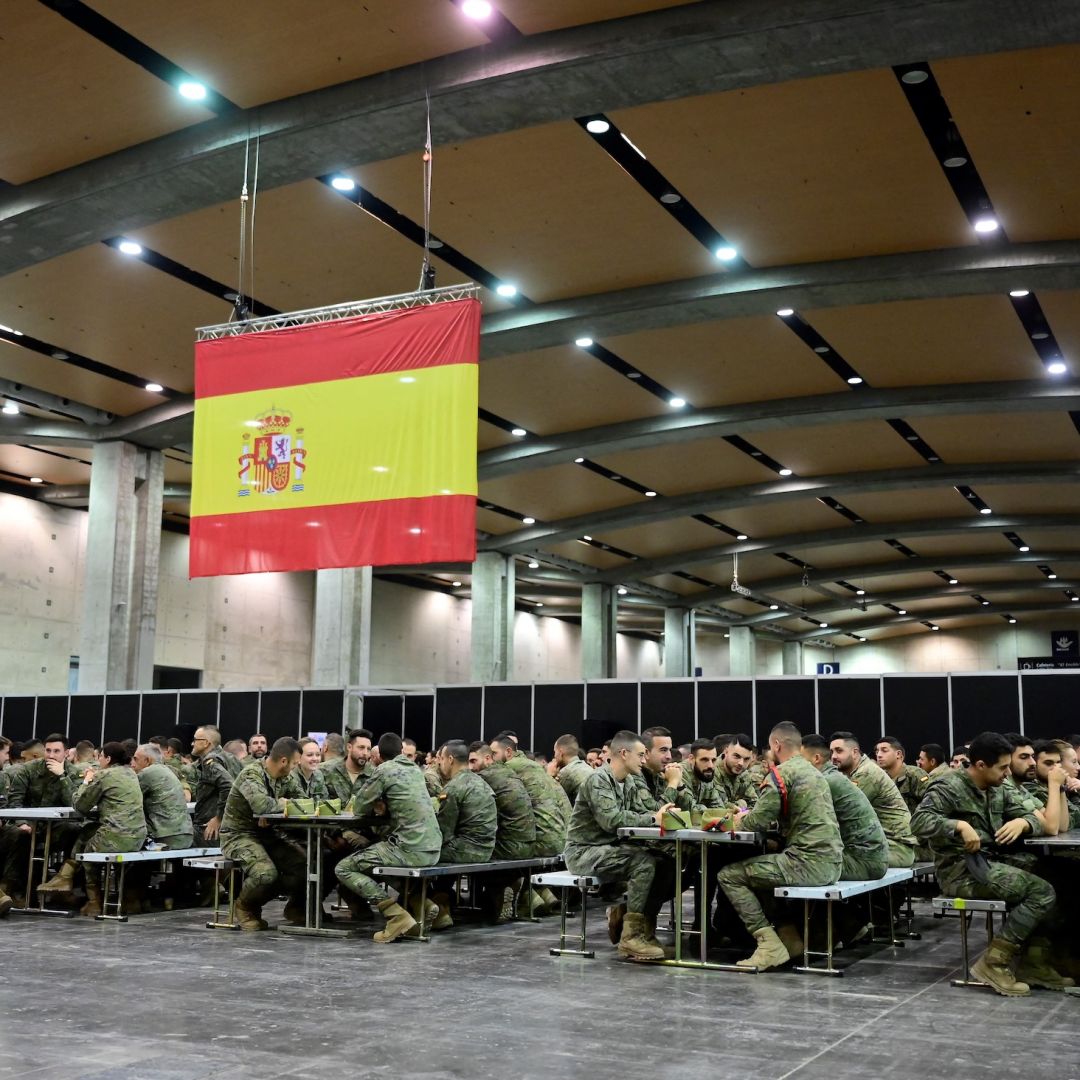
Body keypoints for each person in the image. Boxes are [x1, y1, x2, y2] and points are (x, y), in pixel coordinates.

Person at [911, 731, 1067, 995]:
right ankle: (994, 962)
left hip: (992, 862)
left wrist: (1023, 821)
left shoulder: (996, 790)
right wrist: (958, 825)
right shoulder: (948, 787)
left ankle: (1034, 962)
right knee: (1040, 892)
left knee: (1059, 875)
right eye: (1002, 767)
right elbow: (918, 822)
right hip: (961, 872)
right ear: (981, 765)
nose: (1007, 773)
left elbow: (1039, 820)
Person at [718, 723, 843, 970]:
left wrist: (735, 819)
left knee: (729, 875)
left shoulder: (781, 774)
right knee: (762, 873)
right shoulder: (813, 772)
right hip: (832, 861)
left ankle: (768, 946)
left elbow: (757, 821)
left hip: (807, 864)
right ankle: (789, 939)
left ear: (776, 745)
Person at [564, 729, 676, 960]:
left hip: (610, 849)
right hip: (585, 852)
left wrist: (661, 814)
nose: (645, 760)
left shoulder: (628, 783)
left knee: (664, 862)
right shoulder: (598, 780)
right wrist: (654, 819)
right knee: (643, 863)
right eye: (641, 755)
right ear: (624, 753)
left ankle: (645, 932)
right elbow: (611, 820)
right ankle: (630, 939)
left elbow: (641, 812)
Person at [334, 733, 442, 943]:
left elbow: (359, 807)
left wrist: (378, 804)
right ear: (402, 751)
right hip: (432, 848)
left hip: (409, 849)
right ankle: (424, 905)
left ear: (380, 756)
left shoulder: (384, 770)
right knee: (379, 858)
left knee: (344, 868)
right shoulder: (416, 770)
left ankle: (396, 916)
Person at [39, 742, 147, 917]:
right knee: (88, 831)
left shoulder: (104, 775)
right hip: (138, 836)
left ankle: (93, 902)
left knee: (88, 857)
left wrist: (86, 780)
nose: (98, 760)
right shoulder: (131, 773)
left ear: (108, 759)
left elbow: (80, 806)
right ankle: (64, 878)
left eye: (100, 756)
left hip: (118, 836)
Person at [220, 737, 306, 931]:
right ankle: (244, 906)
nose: (295, 768)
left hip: (267, 834)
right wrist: (282, 805)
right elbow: (260, 805)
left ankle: (284, 905)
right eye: (294, 763)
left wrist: (278, 809)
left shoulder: (286, 777)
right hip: (238, 835)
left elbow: (303, 802)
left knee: (303, 867)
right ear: (284, 761)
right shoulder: (252, 773)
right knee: (265, 873)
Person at [4, 733, 84, 900]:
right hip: (29, 824)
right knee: (19, 836)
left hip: (55, 827)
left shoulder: (74, 773)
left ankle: (62, 885)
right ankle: (11, 889)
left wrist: (62, 777)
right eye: (48, 750)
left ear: (66, 753)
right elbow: (15, 800)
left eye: (56, 751)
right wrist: (21, 823)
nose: (51, 755)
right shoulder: (29, 769)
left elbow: (76, 804)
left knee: (76, 831)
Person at [801, 735, 887, 882]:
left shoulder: (826, 782)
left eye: (800, 760)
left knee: (800, 866)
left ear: (816, 759)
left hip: (863, 862)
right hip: (869, 857)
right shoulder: (832, 777)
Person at [469, 741, 536, 921]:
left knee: (472, 852)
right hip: (530, 844)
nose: (470, 767)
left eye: (473, 761)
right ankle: (513, 882)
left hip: (510, 846)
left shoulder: (483, 777)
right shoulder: (508, 772)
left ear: (488, 758)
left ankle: (498, 890)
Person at [830, 732, 916, 868]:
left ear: (854, 752)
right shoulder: (856, 772)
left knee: (827, 860)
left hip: (896, 848)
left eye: (839, 751)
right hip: (882, 844)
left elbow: (841, 813)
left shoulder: (866, 773)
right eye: (832, 752)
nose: (834, 756)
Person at [131, 744, 193, 850]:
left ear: (147, 760)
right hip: (186, 834)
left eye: (136, 759)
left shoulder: (147, 773)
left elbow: (127, 797)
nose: (133, 764)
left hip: (165, 837)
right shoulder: (169, 770)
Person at [191, 726, 236, 844]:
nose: (192, 743)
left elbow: (228, 786)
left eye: (195, 740)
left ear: (206, 743)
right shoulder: (231, 758)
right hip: (233, 827)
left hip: (211, 829)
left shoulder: (210, 762)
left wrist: (219, 818)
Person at [632, 726, 692, 811]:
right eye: (663, 750)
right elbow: (656, 811)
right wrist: (673, 782)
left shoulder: (660, 774)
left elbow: (689, 809)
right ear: (646, 753)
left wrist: (679, 783)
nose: (669, 756)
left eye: (669, 750)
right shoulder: (635, 774)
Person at [1023, 741, 1073, 831]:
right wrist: (1055, 784)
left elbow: (1063, 826)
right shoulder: (1028, 787)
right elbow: (1054, 828)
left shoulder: (1052, 784)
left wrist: (1060, 787)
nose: (1056, 768)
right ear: (1035, 763)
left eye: (1058, 762)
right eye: (1048, 763)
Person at [874, 736, 929, 815]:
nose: (879, 755)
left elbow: (932, 805)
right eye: (877, 752)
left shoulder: (915, 775)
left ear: (898, 754)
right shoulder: (880, 779)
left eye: (884, 751)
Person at [319, 728, 374, 805]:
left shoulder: (374, 775)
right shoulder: (326, 770)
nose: (365, 753)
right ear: (349, 747)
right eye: (361, 747)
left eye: (368, 749)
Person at [713, 734, 759, 808]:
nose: (741, 763)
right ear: (726, 752)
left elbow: (755, 804)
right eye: (737, 756)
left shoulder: (744, 774)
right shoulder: (712, 770)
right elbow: (718, 806)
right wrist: (741, 804)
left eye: (746, 759)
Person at [680, 739, 725, 809]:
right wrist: (705, 809)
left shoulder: (706, 774)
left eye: (713, 760)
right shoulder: (680, 772)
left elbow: (719, 807)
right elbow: (690, 809)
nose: (711, 765)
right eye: (704, 760)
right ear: (691, 759)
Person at [551, 735, 592, 804]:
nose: (554, 756)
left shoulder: (566, 772)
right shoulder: (588, 767)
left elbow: (551, 799)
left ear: (560, 752)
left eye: (555, 752)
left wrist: (550, 775)